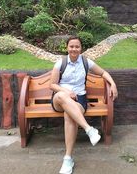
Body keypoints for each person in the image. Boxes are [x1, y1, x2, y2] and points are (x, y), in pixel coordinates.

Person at [50, 36, 118, 174]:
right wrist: (66, 91)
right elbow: (52, 85)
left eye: (77, 46)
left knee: (70, 116)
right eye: (71, 46)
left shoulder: (86, 62)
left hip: (79, 99)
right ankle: (88, 129)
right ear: (67, 47)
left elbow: (103, 73)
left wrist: (113, 84)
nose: (74, 49)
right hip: (59, 98)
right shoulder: (60, 63)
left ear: (81, 48)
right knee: (63, 97)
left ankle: (68, 158)